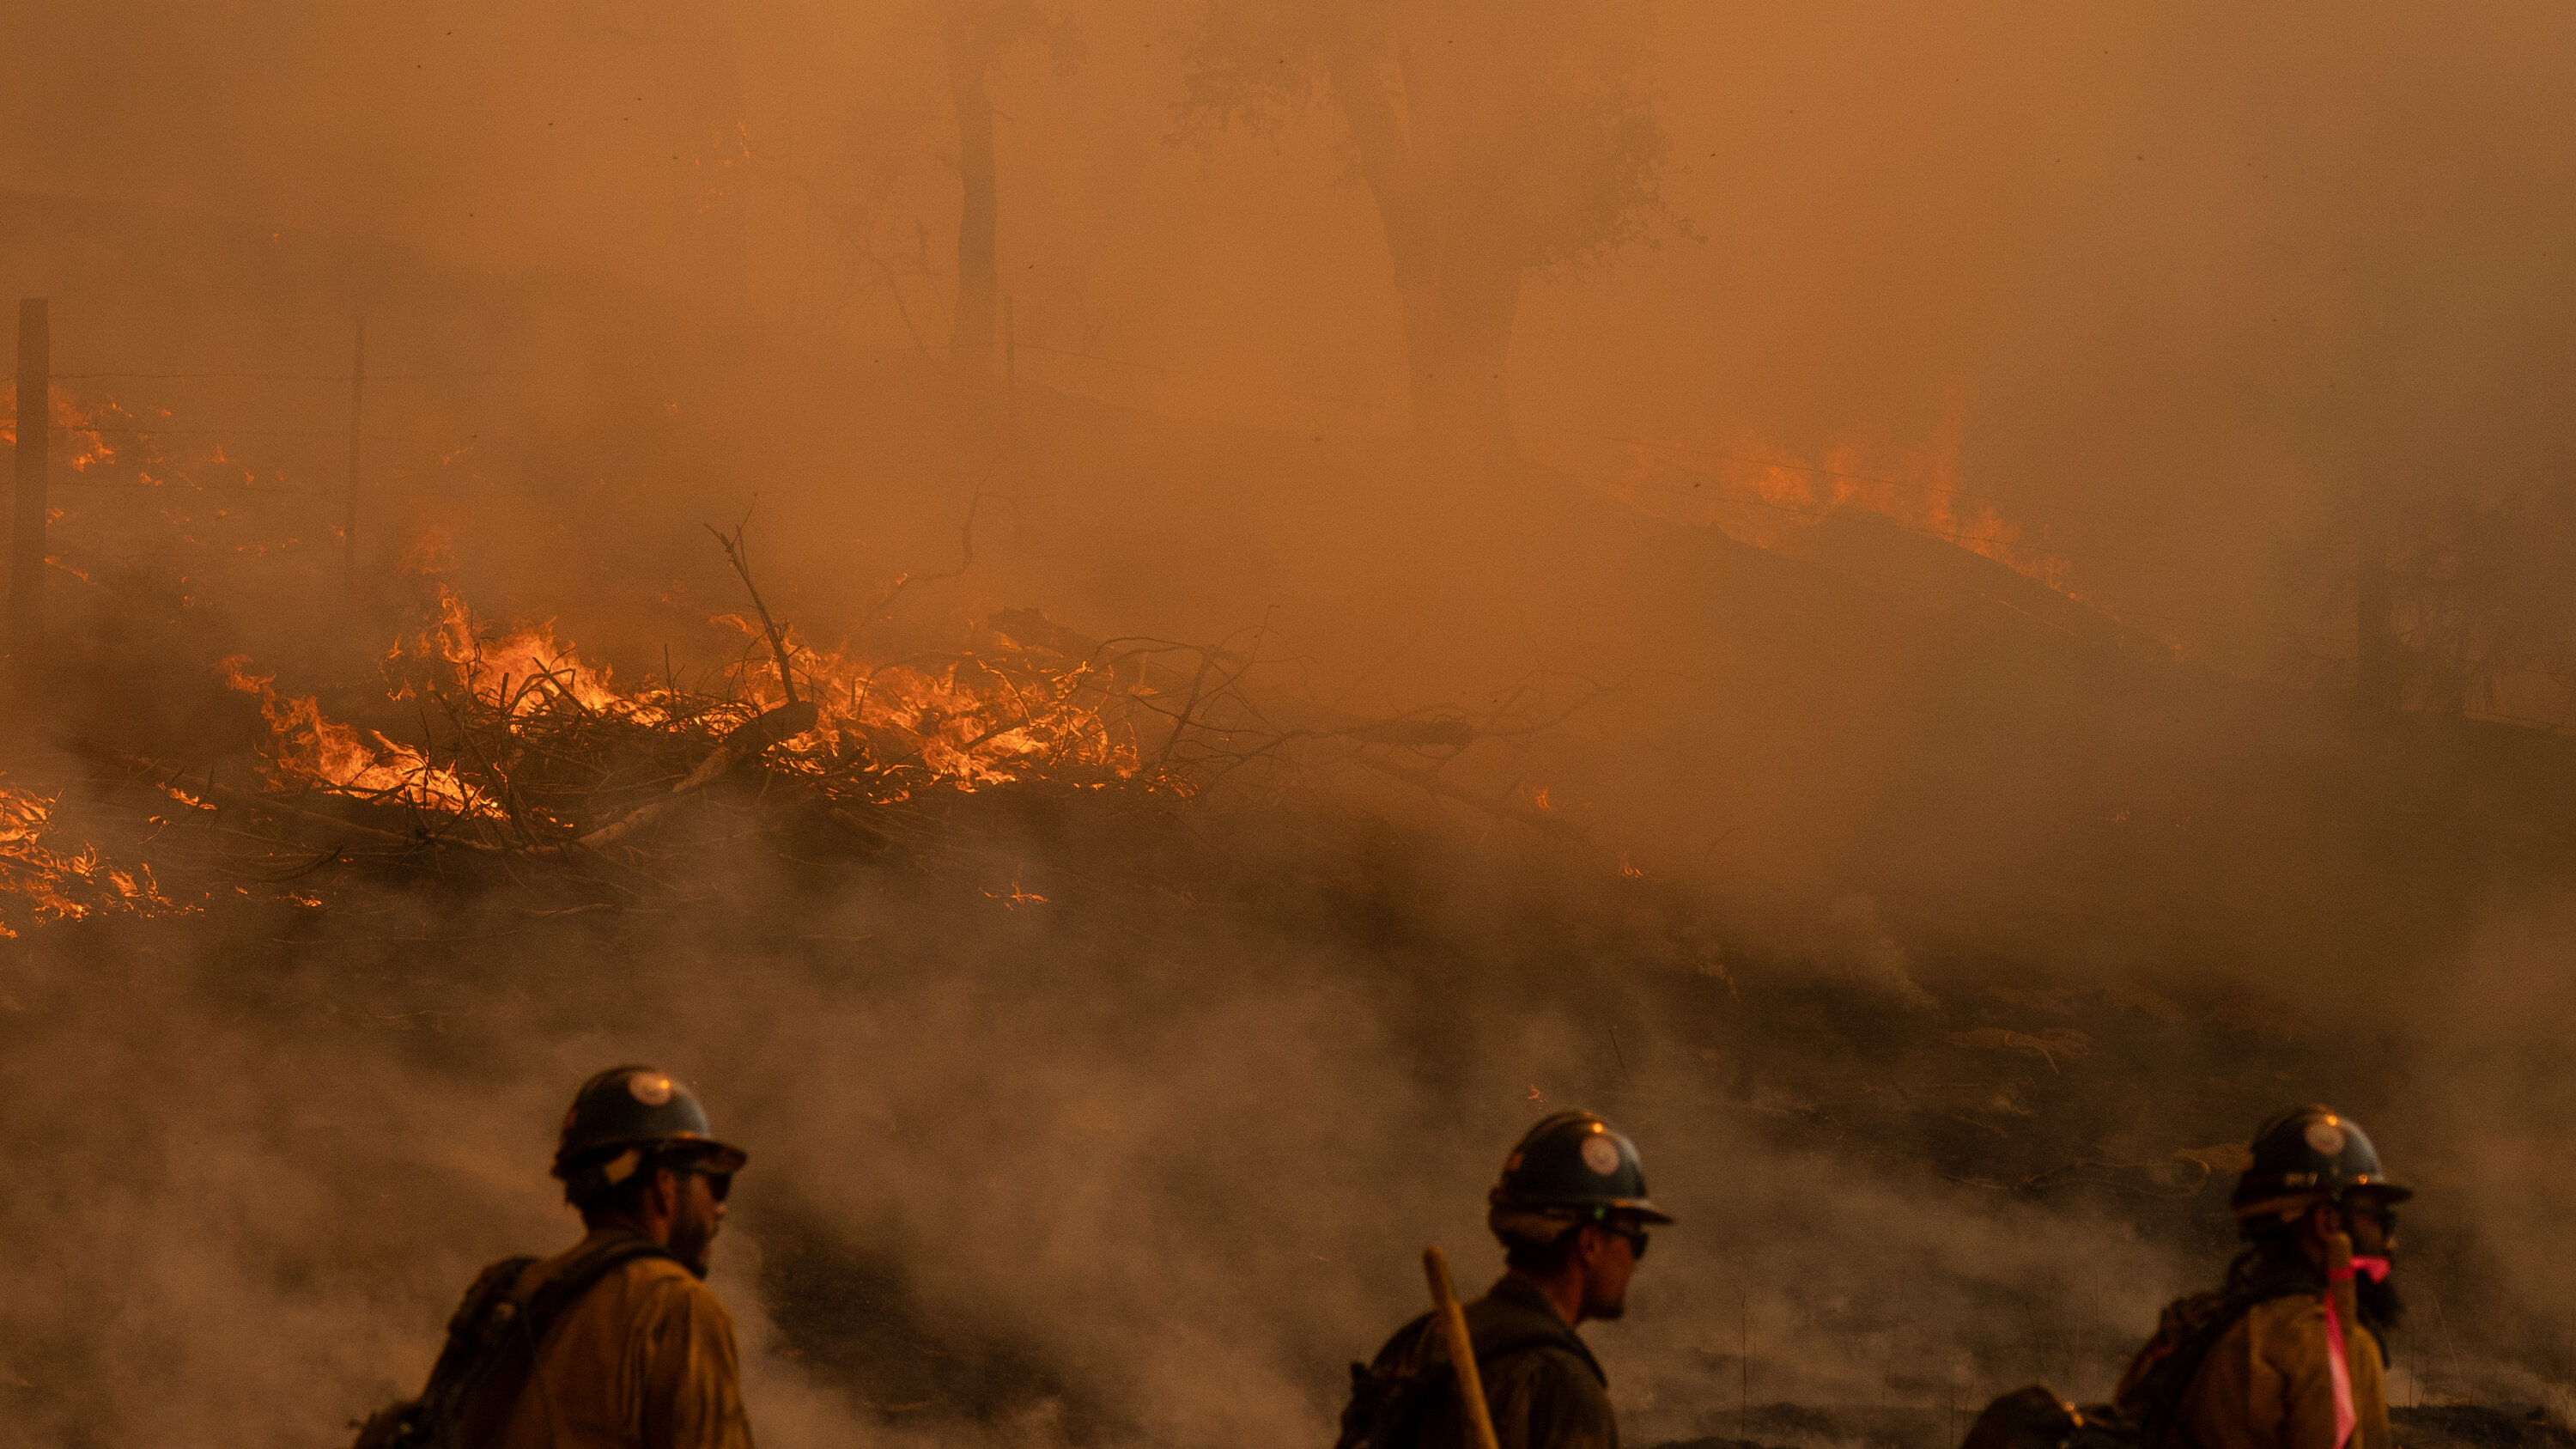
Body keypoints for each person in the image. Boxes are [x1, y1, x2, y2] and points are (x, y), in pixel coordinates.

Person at [362, 1065, 756, 1449]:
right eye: (716, 1184)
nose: (719, 1208)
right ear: (665, 1185)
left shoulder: (512, 1291)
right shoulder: (677, 1305)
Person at [1335, 1111, 1675, 1449]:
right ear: (1589, 1244)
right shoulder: (1562, 1387)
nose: (1635, 1264)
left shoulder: (1420, 1341)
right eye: (1636, 1240)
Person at [2114, 1105, 2409, 1449]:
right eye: (2378, 1220)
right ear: (2328, 1222)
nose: (2390, 1244)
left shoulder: (2191, 1326)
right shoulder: (2331, 1345)